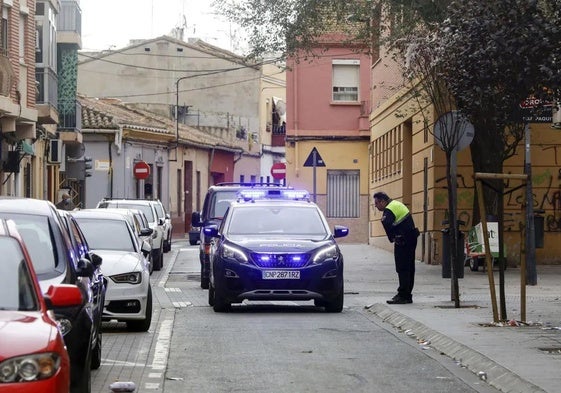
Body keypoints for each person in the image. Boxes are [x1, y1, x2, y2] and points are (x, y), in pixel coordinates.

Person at [373, 192, 419, 304]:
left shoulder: (389, 209)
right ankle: (407, 295)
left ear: (383, 201)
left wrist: (393, 238)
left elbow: (386, 222)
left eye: (376, 203)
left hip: (403, 240)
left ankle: (403, 295)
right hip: (411, 238)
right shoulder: (397, 204)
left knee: (402, 268)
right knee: (409, 268)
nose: (376, 206)